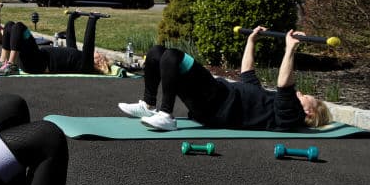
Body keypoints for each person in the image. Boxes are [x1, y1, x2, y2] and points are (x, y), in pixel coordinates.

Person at [117, 26, 331, 131]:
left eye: (305, 96)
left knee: (173, 57)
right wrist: (251, 40)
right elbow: (248, 75)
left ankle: (166, 115)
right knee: (157, 53)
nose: (300, 93)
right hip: (212, 100)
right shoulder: (271, 105)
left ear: (308, 111)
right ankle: (149, 104)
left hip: (218, 102)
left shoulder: (290, 115)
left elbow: (285, 84)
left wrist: (290, 48)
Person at [0, 11, 112, 76]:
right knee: (10, 26)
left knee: (19, 27)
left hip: (37, 63)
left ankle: (11, 65)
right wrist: (72, 18)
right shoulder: (77, 56)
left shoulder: (87, 64)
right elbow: (70, 40)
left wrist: (92, 20)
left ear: (99, 61)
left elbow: (88, 44)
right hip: (34, 56)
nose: (97, 52)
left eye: (99, 55)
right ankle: (3, 61)